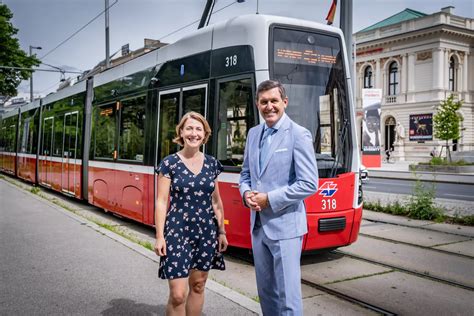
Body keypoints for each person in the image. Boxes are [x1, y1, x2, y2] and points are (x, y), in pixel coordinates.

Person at [239, 80, 318, 315]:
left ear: (284, 102)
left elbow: (309, 183)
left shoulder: (298, 134)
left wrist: (269, 199)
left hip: (286, 227)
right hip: (258, 226)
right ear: (257, 104)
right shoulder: (253, 134)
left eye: (274, 101)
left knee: (288, 296)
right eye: (264, 102)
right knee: (266, 293)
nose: (269, 106)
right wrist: (245, 194)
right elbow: (245, 174)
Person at [154, 111, 228, 315]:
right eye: (189, 128)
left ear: (205, 134)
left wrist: (221, 231)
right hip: (177, 232)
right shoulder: (169, 163)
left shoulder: (212, 164)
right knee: (178, 294)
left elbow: (216, 201)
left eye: (198, 129)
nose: (194, 133)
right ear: (181, 132)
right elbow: (161, 201)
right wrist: (160, 236)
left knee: (198, 285)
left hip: (206, 232)